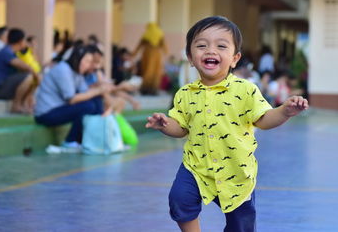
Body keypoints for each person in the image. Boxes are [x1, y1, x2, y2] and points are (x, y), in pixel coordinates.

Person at [145, 16, 308, 232]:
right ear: (190, 58)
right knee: (179, 199)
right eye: (201, 45)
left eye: (221, 46)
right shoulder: (185, 93)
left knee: (241, 226)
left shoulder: (245, 90)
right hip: (197, 167)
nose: (211, 51)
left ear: (234, 58)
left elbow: (264, 119)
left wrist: (284, 111)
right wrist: (165, 125)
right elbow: (181, 127)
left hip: (236, 171)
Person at [34, 46, 112, 149]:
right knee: (87, 106)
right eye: (87, 61)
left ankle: (97, 139)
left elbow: (86, 92)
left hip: (60, 109)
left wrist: (101, 92)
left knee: (95, 101)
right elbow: (71, 99)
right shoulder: (63, 69)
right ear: (77, 59)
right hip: (46, 114)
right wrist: (98, 90)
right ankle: (70, 141)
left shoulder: (77, 73)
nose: (88, 65)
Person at [0, 28, 39, 113]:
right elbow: (25, 67)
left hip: (2, 87)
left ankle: (25, 104)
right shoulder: (6, 52)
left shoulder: (13, 52)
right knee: (29, 77)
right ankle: (16, 105)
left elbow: (33, 65)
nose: (26, 43)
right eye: (24, 40)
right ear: (20, 41)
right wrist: (37, 76)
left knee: (30, 77)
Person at [131, 22, 168, 95]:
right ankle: (153, 89)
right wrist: (166, 52)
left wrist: (133, 54)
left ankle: (145, 89)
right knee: (156, 72)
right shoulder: (159, 33)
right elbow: (164, 45)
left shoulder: (146, 34)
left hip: (147, 53)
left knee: (147, 71)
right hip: (157, 53)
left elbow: (139, 45)